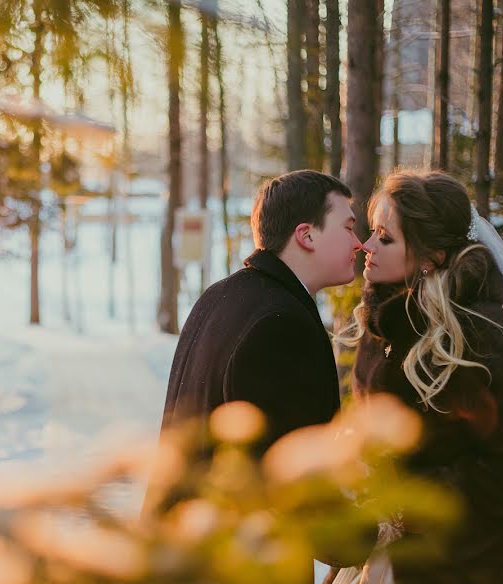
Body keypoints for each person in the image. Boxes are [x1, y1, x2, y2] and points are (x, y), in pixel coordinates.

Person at [326, 170, 503, 584]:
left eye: (385, 239)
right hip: (395, 561)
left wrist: (417, 501)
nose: (367, 248)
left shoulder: (483, 341)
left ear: (431, 256)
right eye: (371, 234)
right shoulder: (384, 329)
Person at [154, 170, 361, 460]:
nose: (358, 243)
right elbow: (281, 468)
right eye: (348, 228)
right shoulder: (281, 324)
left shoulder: (219, 296)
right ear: (307, 235)